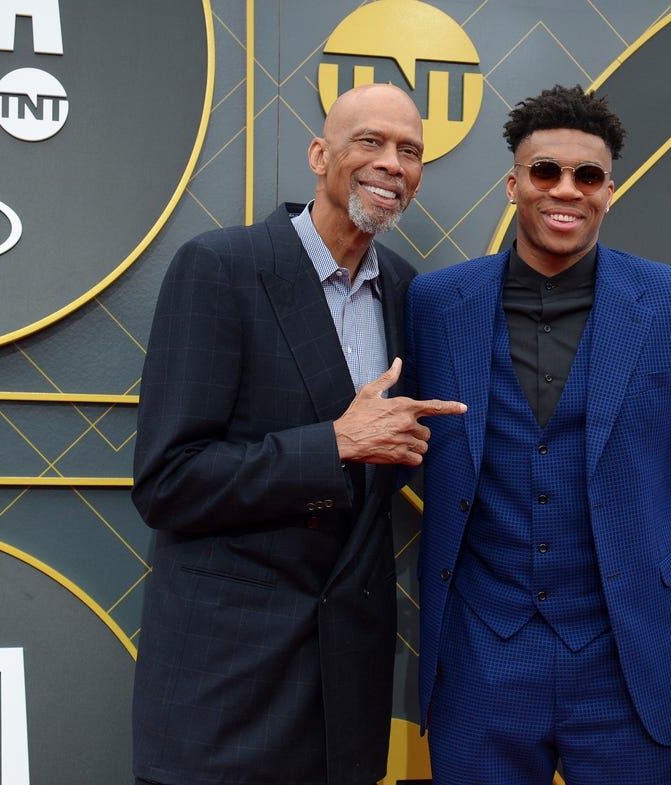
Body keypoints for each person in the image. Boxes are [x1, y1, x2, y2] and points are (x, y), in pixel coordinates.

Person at [406, 84, 671, 785]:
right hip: (483, 659)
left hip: (629, 661)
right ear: (513, 184)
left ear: (611, 187)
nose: (565, 190)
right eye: (546, 171)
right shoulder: (436, 304)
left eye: (587, 175)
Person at [131, 83, 465, 785]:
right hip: (227, 687)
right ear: (321, 155)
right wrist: (334, 444)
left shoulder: (412, 292)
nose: (391, 163)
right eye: (369, 141)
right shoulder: (222, 268)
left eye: (410, 151)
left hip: (347, 693)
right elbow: (169, 481)